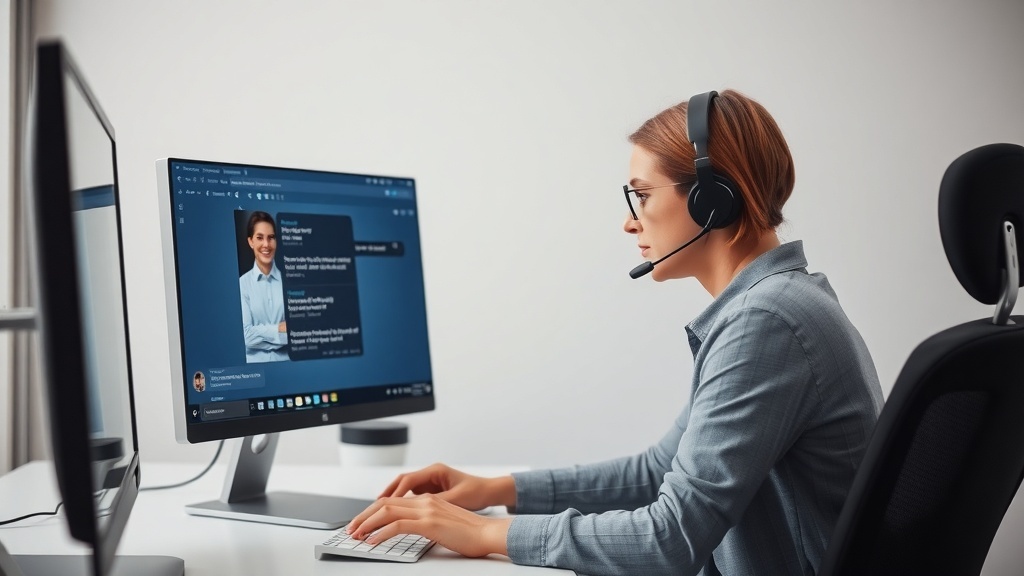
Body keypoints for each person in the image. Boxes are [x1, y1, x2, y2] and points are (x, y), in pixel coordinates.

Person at [345, 90, 885, 575]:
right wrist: (495, 490)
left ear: (712, 200)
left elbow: (670, 538)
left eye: (642, 195)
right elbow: (659, 471)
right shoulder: (773, 306)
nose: (630, 221)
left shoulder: (766, 323)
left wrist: (486, 533)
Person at [239, 211, 289, 362]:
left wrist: (260, 335)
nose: (266, 244)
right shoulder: (242, 284)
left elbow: (297, 333)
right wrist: (278, 329)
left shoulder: (289, 282)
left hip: (287, 366)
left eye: (271, 237)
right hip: (255, 368)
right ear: (251, 242)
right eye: (260, 238)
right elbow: (246, 336)